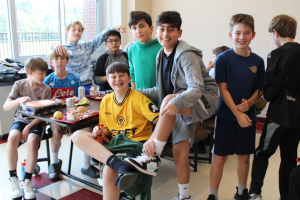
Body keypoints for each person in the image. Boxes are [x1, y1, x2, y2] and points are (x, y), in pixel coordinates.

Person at [125, 11, 219, 200]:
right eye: (162, 29)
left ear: (179, 32)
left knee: (168, 99)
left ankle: (153, 156)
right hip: (178, 105)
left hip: (204, 100)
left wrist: (174, 102)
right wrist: (133, 92)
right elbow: (160, 89)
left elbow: (197, 88)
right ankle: (184, 196)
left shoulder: (186, 55)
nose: (165, 34)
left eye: (171, 30)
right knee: (179, 153)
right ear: (156, 31)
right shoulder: (161, 54)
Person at [72, 62, 160, 200]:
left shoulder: (139, 98)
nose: (118, 79)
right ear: (108, 80)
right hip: (115, 144)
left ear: (129, 78)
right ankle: (118, 165)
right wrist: (99, 131)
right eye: (113, 76)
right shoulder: (106, 100)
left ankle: (116, 165)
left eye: (121, 75)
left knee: (108, 171)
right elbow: (106, 130)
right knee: (77, 135)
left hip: (135, 144)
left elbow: (160, 121)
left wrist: (151, 140)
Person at [206, 14, 265, 200]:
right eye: (237, 32)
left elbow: (260, 90)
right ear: (230, 34)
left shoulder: (258, 61)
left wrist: (251, 102)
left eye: (246, 33)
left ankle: (241, 192)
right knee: (219, 158)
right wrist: (237, 113)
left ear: (253, 35)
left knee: (244, 156)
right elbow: (223, 89)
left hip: (248, 118)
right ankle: (213, 195)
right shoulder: (223, 59)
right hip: (226, 116)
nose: (242, 37)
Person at [249, 14, 300, 200]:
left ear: (275, 32)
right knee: (289, 159)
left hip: (278, 115)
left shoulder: (275, 54)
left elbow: (269, 93)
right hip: (297, 118)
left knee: (262, 153)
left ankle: (255, 192)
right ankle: (286, 197)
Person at [44, 49, 99, 179]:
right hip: (56, 117)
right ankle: (54, 163)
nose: (59, 61)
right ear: (51, 62)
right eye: (56, 59)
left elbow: (79, 101)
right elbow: (45, 103)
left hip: (73, 115)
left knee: (86, 129)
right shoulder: (48, 80)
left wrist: (71, 121)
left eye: (62, 58)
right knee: (56, 132)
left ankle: (86, 165)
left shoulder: (74, 78)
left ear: (67, 61)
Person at [3, 57, 51, 200]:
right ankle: (13, 179)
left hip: (37, 122)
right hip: (20, 120)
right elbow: (6, 107)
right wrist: (18, 100)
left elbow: (45, 114)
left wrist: (28, 127)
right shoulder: (19, 85)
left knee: (32, 141)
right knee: (11, 138)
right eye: (40, 73)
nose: (44, 76)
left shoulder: (46, 89)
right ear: (30, 72)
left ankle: (27, 180)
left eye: (45, 73)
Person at [52, 21, 125, 95]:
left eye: (79, 30)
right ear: (67, 32)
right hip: (70, 84)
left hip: (87, 85)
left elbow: (99, 38)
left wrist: (112, 28)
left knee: (90, 105)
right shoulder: (62, 48)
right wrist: (55, 45)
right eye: (74, 30)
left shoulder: (86, 47)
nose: (77, 32)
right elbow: (51, 54)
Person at [128, 11, 162, 105]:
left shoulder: (161, 47)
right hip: (140, 99)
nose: (138, 31)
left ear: (151, 28)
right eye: (134, 28)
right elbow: (132, 74)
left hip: (159, 98)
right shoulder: (131, 49)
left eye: (142, 26)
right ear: (131, 32)